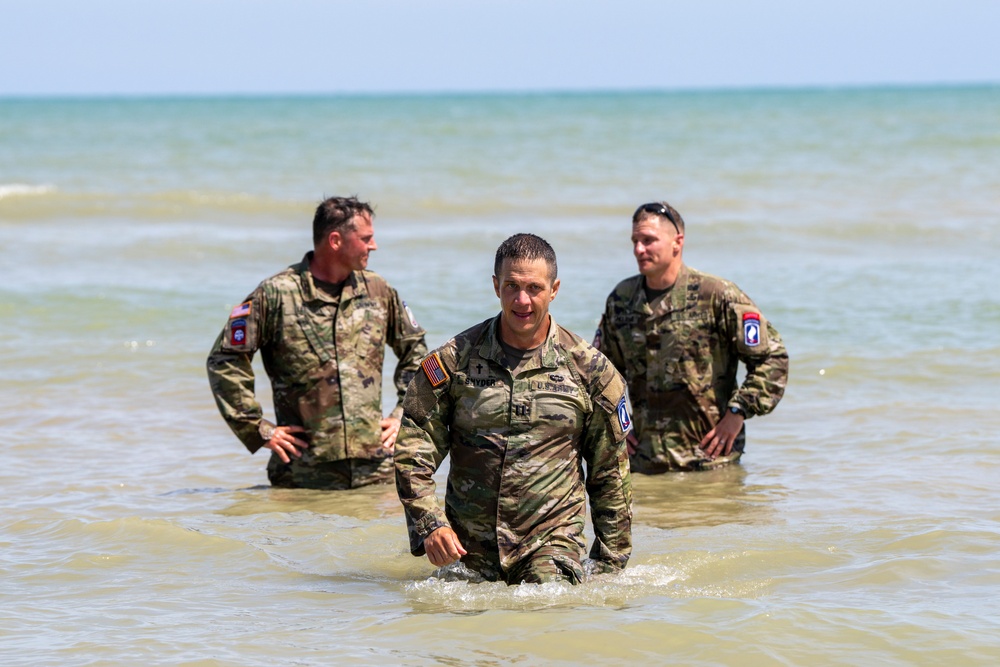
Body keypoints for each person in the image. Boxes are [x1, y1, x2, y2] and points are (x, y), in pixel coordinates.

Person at [394, 233, 632, 585]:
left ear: (554, 289)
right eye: (512, 286)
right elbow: (414, 450)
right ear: (496, 286)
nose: (523, 300)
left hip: (552, 545)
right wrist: (430, 524)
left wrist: (610, 570)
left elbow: (610, 474)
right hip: (468, 550)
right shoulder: (453, 361)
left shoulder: (590, 371)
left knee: (545, 620)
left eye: (534, 288)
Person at [207, 196, 428, 489]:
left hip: (376, 471)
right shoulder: (277, 294)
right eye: (366, 239)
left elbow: (417, 351)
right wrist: (257, 429)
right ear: (336, 240)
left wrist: (404, 414)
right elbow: (225, 360)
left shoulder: (378, 291)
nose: (373, 246)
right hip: (303, 476)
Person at [594, 201, 789, 472]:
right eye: (635, 241)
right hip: (644, 466)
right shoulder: (622, 299)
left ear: (677, 242)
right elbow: (601, 374)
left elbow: (772, 359)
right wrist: (617, 425)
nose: (639, 249)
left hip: (710, 463)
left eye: (649, 240)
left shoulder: (717, 295)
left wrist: (738, 412)